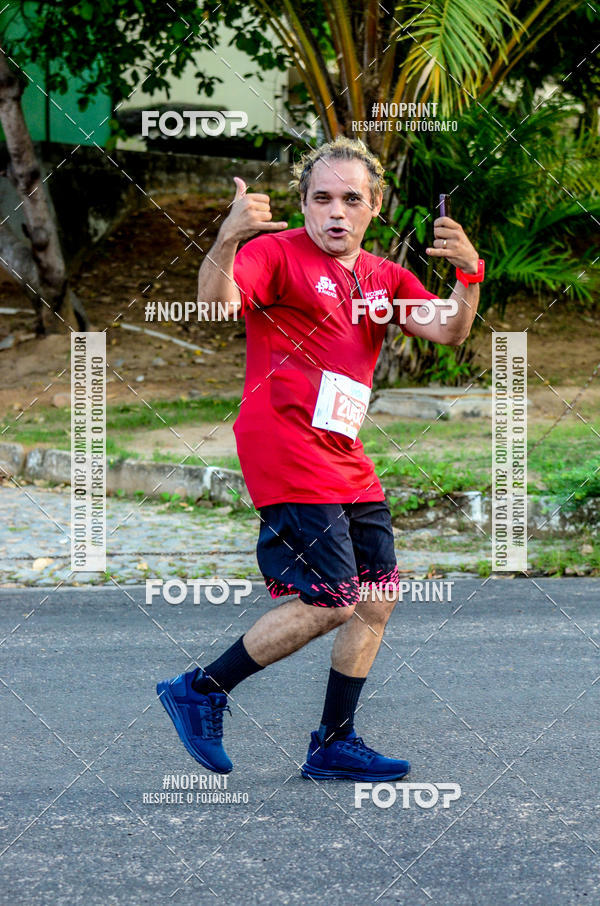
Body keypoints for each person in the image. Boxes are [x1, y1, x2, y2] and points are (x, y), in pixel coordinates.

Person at [156, 136, 483, 779]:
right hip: (283, 442)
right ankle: (200, 689)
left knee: (377, 595)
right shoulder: (273, 254)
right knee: (332, 598)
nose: (336, 211)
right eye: (322, 198)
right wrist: (227, 237)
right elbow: (216, 303)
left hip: (343, 450)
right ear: (304, 203)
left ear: (374, 206)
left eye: (351, 199)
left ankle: (333, 743)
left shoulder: (385, 277)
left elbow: (449, 327)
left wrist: (470, 274)